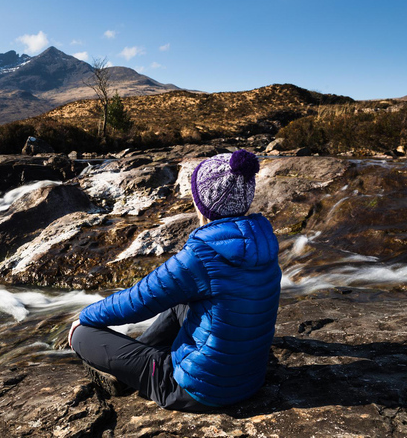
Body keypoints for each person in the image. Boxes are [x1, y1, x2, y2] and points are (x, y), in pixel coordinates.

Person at [68, 149, 281, 411]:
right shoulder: (264, 242)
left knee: (81, 335)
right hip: (250, 380)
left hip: (194, 389)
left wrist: (84, 316)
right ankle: (130, 366)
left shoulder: (203, 253)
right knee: (180, 302)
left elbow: (137, 302)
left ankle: (128, 374)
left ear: (201, 202)